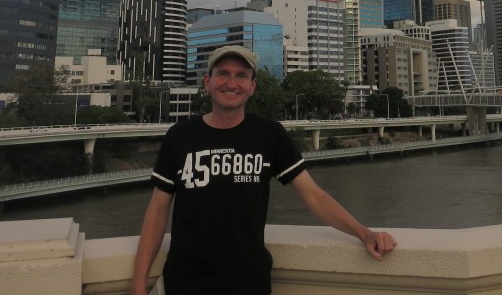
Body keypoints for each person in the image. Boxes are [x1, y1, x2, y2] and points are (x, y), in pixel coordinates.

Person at [131, 45, 397, 294]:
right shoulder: (180, 136)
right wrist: (138, 284)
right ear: (207, 82)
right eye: (223, 74)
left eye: (241, 76)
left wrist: (365, 233)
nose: (232, 83)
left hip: (249, 282)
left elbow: (314, 196)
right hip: (184, 283)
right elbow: (157, 212)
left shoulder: (269, 135)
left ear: (252, 86)